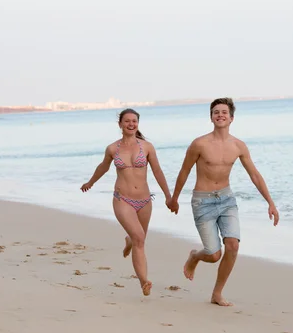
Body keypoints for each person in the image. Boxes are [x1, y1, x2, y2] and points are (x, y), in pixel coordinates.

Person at [167, 97, 279, 306]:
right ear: (211, 117)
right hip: (203, 201)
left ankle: (217, 294)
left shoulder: (238, 146)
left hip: (227, 199)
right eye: (216, 112)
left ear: (231, 118)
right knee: (213, 254)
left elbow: (254, 174)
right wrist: (174, 198)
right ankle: (194, 256)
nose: (220, 115)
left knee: (233, 246)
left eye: (224, 112)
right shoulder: (199, 144)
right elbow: (184, 171)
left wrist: (270, 202)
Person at [81, 108, 171, 296]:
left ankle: (129, 240)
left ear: (138, 124)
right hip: (123, 199)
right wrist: (90, 182)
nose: (131, 124)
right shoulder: (113, 148)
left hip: (145, 200)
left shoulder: (147, 147)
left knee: (138, 239)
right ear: (120, 124)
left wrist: (169, 196)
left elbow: (158, 171)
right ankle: (144, 281)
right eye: (127, 121)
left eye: (134, 121)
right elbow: (103, 167)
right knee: (140, 238)